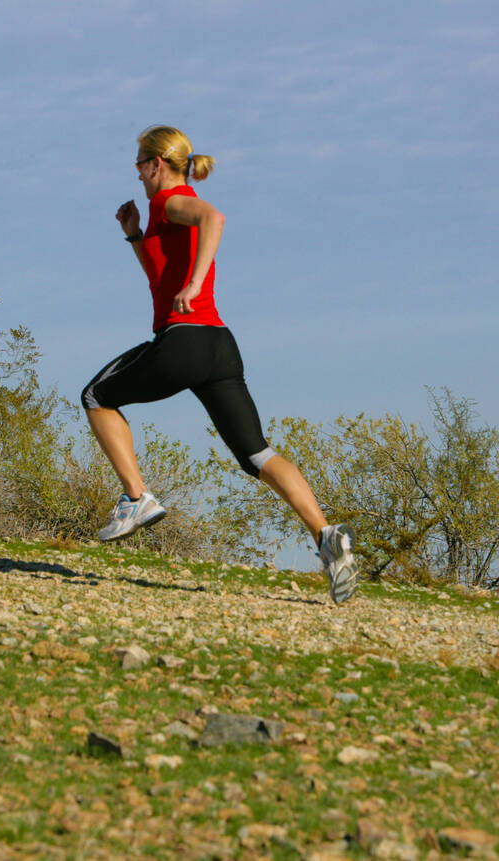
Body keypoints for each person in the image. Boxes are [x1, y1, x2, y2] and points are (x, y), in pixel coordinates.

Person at [80, 124, 359, 604]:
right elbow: (160, 280)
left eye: (139, 162)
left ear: (156, 164)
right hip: (219, 347)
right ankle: (325, 537)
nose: (136, 171)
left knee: (96, 396)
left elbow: (215, 218)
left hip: (183, 341)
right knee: (257, 454)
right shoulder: (157, 214)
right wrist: (135, 238)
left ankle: (135, 497)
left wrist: (194, 283)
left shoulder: (171, 200)